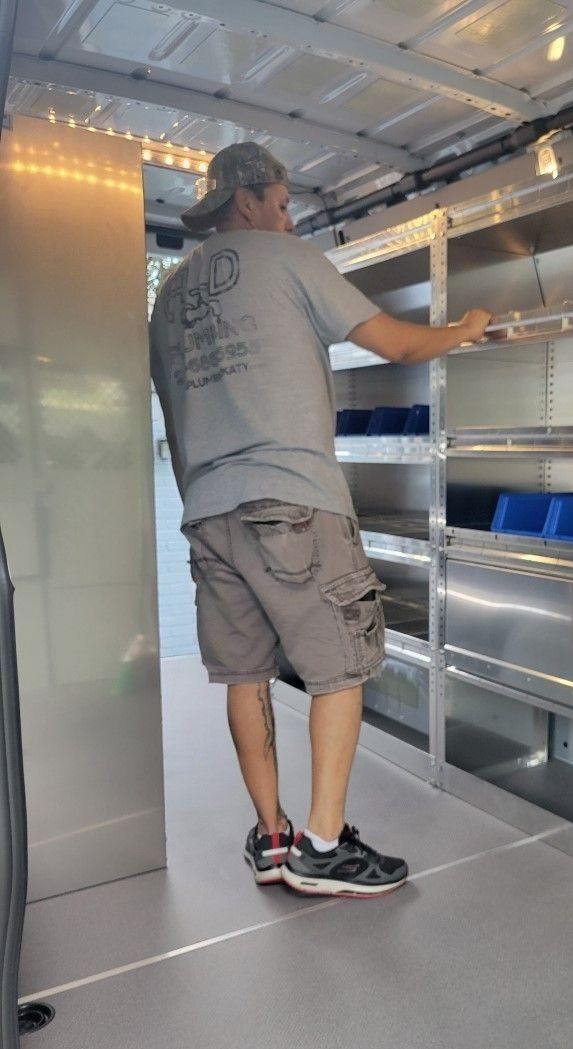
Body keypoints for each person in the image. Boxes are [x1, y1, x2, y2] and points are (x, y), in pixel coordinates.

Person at [149, 142, 491, 899]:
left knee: (245, 676)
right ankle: (325, 847)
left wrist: (202, 502)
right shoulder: (284, 257)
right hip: (293, 498)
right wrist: (465, 328)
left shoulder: (168, 298)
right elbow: (396, 342)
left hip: (208, 511)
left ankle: (272, 839)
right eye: (279, 199)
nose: (287, 212)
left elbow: (174, 417)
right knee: (343, 666)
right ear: (248, 202)